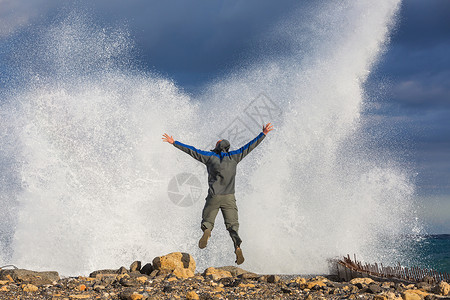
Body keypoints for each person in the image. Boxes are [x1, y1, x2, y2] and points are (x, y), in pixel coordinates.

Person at [162, 122, 273, 264]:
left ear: (217, 147)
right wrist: (263, 134)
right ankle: (237, 245)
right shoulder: (235, 156)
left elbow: (192, 151)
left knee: (207, 221)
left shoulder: (209, 157)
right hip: (229, 198)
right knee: (233, 225)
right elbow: (250, 146)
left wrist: (174, 142)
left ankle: (207, 231)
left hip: (214, 196)